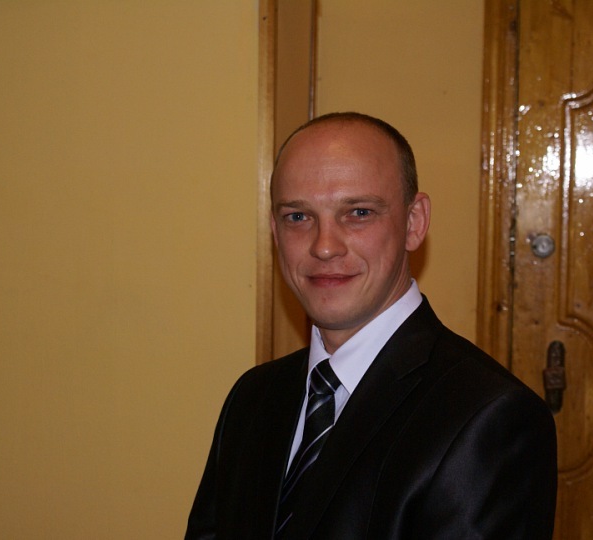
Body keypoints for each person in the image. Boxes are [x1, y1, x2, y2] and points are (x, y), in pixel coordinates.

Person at [185, 112, 557, 539]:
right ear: (274, 230)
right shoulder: (252, 399)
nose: (324, 246)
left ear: (414, 223)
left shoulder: (488, 418)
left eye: (358, 213)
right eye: (298, 217)